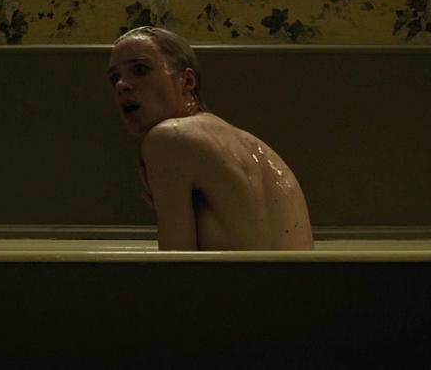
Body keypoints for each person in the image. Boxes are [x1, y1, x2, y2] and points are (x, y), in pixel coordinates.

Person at [108, 26, 313, 250]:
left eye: (139, 69)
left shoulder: (167, 137)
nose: (121, 85)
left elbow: (174, 263)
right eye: (114, 78)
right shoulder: (256, 147)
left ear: (187, 81)